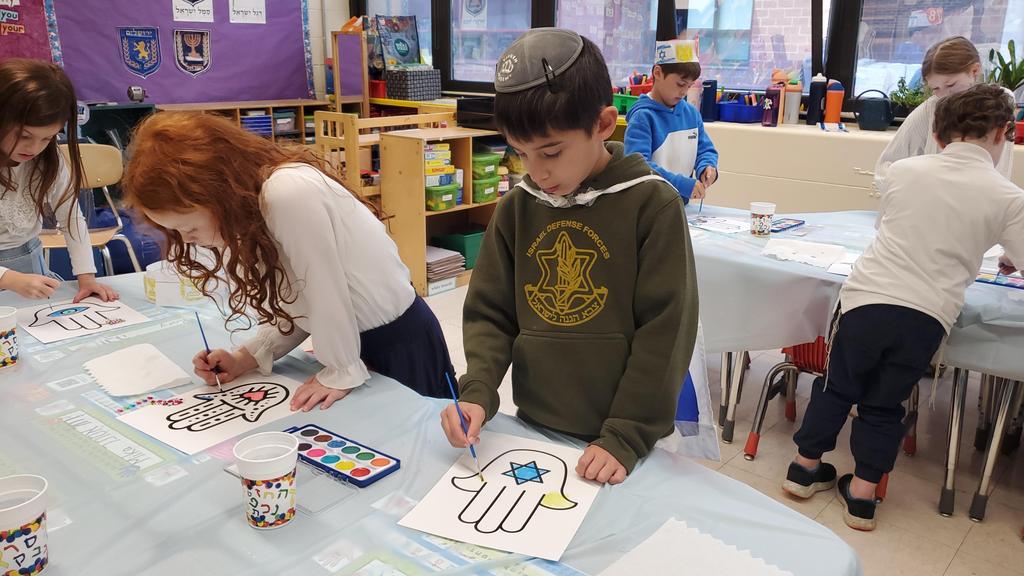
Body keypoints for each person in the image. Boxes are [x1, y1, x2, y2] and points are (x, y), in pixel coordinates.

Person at [439, 28, 699, 485]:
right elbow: (491, 313)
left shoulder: (652, 204)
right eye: (521, 154)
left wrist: (627, 432)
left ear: (603, 125)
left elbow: (666, 331)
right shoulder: (518, 207)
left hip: (624, 438)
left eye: (552, 152)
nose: (537, 172)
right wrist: (477, 390)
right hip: (535, 424)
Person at [784, 84, 1024, 531]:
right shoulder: (1009, 196)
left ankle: (803, 469)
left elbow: (892, 226)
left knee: (837, 388)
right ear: (1002, 134)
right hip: (927, 315)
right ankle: (862, 497)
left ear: (936, 134)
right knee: (884, 403)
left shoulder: (904, 171)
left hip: (867, 300)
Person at [122, 112, 454, 411]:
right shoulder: (255, 208)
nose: (188, 240)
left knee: (428, 442)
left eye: (190, 228)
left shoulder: (287, 192)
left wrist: (341, 369)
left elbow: (324, 292)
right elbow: (302, 302)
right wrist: (246, 357)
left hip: (398, 344)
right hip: (355, 345)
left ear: (218, 194)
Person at [0, 59, 117, 302]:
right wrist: (8, 279)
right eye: (24, 136)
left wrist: (87, 278)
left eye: (47, 138)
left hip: (31, 269)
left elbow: (71, 216)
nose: (34, 148)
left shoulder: (47, 159)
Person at [875, 36, 1014, 192]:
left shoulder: (999, 103)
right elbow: (884, 168)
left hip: (983, 198)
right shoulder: (932, 107)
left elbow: (1001, 170)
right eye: (935, 88)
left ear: (974, 71)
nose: (944, 95)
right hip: (933, 199)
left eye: (951, 85)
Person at [624, 38, 719, 204]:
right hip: (649, 207)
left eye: (689, 86)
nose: (684, 92)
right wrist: (681, 184)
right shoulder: (643, 117)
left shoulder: (691, 114)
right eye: (680, 84)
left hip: (679, 206)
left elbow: (704, 149)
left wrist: (707, 166)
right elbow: (638, 167)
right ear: (658, 73)